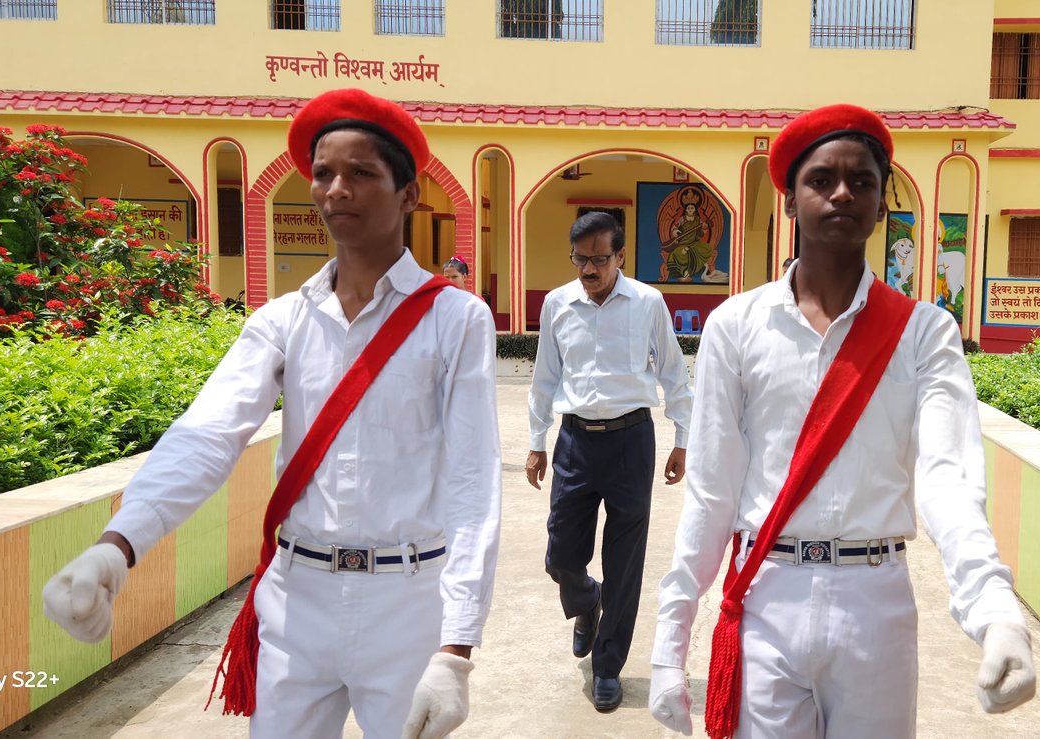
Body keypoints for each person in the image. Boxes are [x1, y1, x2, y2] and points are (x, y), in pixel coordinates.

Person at [39, 88, 502, 739]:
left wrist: (456, 648)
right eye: (323, 172)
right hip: (295, 597)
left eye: (361, 172)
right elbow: (207, 434)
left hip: (408, 602)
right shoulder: (282, 319)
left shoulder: (455, 320)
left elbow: (473, 479)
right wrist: (117, 547)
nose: (336, 189)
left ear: (408, 194)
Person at [647, 104, 1036, 738]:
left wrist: (997, 614)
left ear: (882, 206)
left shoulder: (924, 333)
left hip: (874, 605)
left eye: (862, 181)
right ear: (790, 201)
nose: (842, 193)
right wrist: (671, 640)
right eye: (821, 179)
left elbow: (949, 480)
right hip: (767, 594)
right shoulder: (736, 327)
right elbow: (712, 490)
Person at [526, 211, 694, 713]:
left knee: (625, 563)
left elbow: (673, 372)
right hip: (574, 443)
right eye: (580, 259)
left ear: (620, 256)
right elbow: (545, 375)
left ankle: (607, 667)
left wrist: (682, 438)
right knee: (561, 556)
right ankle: (585, 600)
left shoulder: (647, 302)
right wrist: (536, 441)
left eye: (599, 259)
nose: (589, 269)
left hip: (631, 442)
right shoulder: (558, 304)